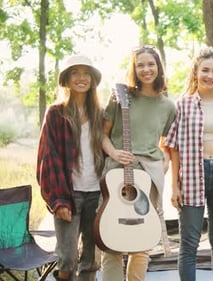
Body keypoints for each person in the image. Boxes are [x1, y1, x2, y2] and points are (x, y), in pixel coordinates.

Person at [100, 45, 176, 281]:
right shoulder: (120, 97)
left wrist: (162, 165)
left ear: (159, 67)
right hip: (116, 174)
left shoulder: (168, 106)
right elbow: (102, 134)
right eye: (140, 65)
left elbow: (167, 143)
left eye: (151, 64)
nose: (146, 69)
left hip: (148, 178)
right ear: (134, 69)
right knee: (111, 239)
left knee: (142, 242)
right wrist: (114, 152)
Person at [164, 46, 213, 281]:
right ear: (196, 72)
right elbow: (172, 147)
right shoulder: (182, 105)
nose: (210, 76)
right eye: (205, 70)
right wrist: (174, 186)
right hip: (193, 176)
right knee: (189, 242)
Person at [37, 55, 105, 281]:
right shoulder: (56, 113)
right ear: (66, 79)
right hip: (69, 194)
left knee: (91, 259)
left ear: (92, 80)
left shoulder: (100, 114)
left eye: (86, 73)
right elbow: (48, 159)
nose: (81, 78)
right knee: (67, 258)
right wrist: (58, 200)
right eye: (75, 72)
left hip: (97, 193)